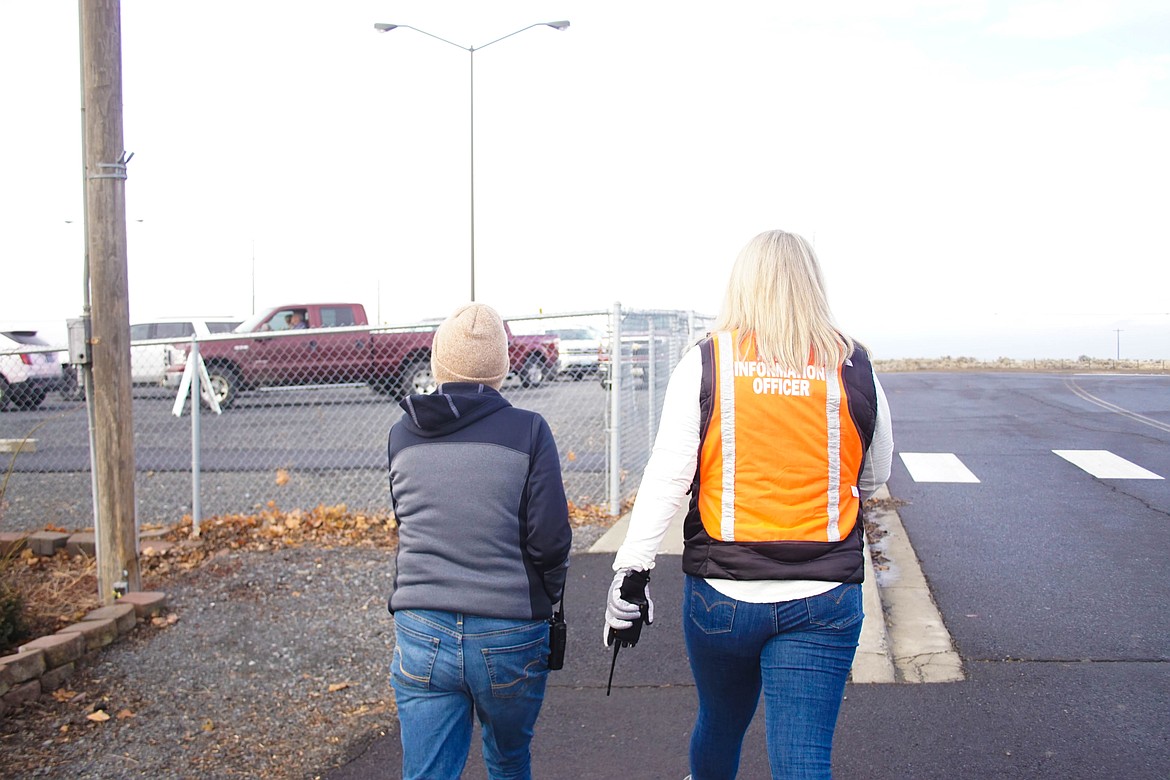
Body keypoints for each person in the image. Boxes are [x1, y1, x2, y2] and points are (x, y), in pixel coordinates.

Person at [603, 230, 893, 780]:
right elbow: (873, 476)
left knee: (720, 721)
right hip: (824, 594)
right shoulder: (855, 366)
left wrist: (631, 570)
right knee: (803, 758)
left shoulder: (708, 361)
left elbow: (668, 476)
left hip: (723, 594)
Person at [386, 302, 572, 780]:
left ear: (437, 364)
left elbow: (408, 524)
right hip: (509, 628)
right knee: (508, 760)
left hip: (421, 625)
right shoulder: (529, 431)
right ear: (503, 369)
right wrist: (547, 593)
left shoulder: (402, 436)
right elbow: (549, 540)